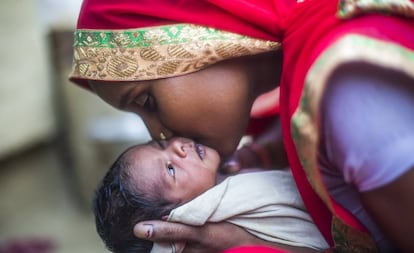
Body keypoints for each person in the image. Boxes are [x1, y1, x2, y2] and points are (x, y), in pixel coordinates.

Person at [68, 0, 414, 252]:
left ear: (190, 39)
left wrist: (249, 247)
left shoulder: (345, 86)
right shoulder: (318, 44)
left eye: (146, 102)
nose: (158, 135)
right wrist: (266, 151)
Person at [93, 137, 328, 253]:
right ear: (174, 218)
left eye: (161, 143)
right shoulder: (208, 213)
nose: (177, 147)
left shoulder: (229, 168)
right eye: (171, 169)